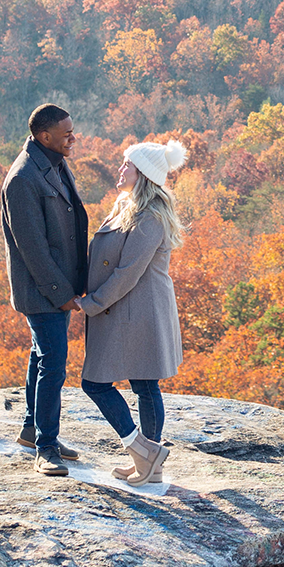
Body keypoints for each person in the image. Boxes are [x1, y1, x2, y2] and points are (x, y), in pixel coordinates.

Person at [77, 138, 188, 486]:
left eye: (128, 165)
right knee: (136, 383)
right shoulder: (126, 206)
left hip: (141, 311)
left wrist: (92, 303)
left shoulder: (151, 217)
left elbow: (128, 272)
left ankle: (146, 456)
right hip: (126, 310)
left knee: (126, 383)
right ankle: (147, 460)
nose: (120, 169)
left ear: (143, 175)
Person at [0, 103, 88, 477]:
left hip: (61, 284)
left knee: (41, 355)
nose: (73, 136)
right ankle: (46, 448)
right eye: (66, 132)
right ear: (44, 135)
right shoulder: (22, 179)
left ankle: (31, 429)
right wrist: (60, 292)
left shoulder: (52, 161)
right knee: (53, 363)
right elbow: (32, 249)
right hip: (43, 289)